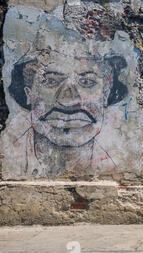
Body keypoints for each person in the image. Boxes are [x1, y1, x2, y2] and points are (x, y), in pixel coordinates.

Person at [6, 31, 128, 177]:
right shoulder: (7, 152)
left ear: (106, 95)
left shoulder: (120, 160)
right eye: (51, 81)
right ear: (29, 94)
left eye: (87, 82)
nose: (68, 101)